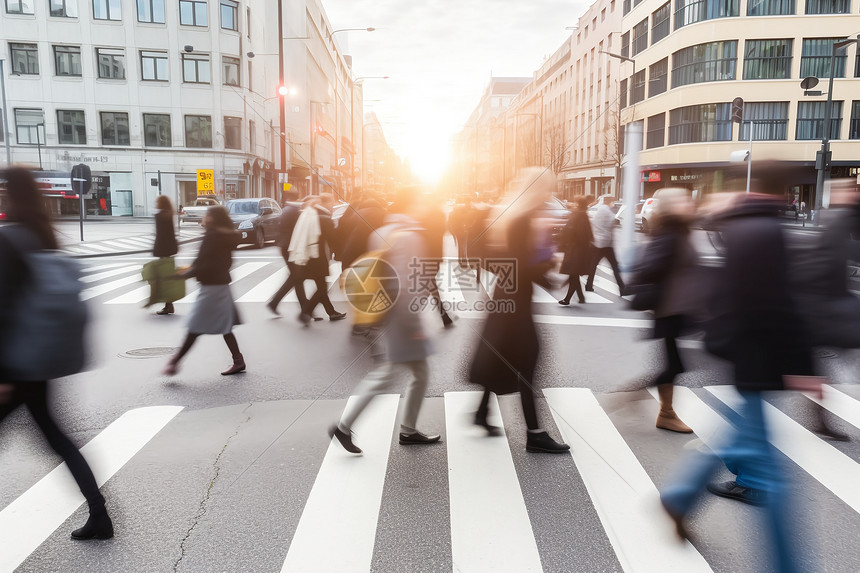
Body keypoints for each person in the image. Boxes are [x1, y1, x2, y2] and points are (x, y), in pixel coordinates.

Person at [661, 187, 812, 573]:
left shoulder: (743, 227)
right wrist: (803, 363)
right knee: (771, 478)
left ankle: (679, 497)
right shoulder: (765, 230)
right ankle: (787, 566)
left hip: (749, 357)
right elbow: (778, 304)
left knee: (745, 442)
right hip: (757, 358)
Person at [0, 167, 114, 540]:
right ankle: (100, 515)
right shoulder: (42, 235)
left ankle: (101, 516)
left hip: (16, 363)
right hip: (38, 358)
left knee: (56, 437)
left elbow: (3, 308)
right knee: (56, 437)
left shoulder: (9, 239)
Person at [330, 188, 441, 454]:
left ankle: (408, 429)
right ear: (413, 205)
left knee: (418, 372)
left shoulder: (382, 231)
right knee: (389, 374)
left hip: (385, 310)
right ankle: (345, 427)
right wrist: (414, 324)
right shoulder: (409, 237)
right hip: (401, 317)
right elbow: (407, 284)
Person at [469, 168, 570, 454]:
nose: (551, 194)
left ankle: (481, 411)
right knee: (528, 363)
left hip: (509, 298)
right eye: (549, 188)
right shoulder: (523, 220)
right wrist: (548, 266)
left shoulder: (510, 216)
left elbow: (498, 260)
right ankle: (535, 434)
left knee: (503, 358)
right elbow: (521, 265)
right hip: (516, 304)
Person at [630, 188, 695, 433]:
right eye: (682, 201)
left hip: (677, 307)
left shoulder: (677, 229)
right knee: (675, 365)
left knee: (676, 364)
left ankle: (664, 412)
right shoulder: (670, 232)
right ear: (670, 207)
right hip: (670, 308)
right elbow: (650, 267)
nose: (689, 204)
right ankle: (647, 404)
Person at [163, 206, 245, 376]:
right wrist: (191, 270)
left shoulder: (213, 235)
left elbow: (204, 263)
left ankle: (175, 362)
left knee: (195, 326)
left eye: (208, 214)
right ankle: (238, 361)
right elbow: (213, 261)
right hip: (220, 285)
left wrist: (185, 274)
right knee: (225, 326)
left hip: (212, 288)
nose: (205, 216)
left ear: (213, 218)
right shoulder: (225, 235)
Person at [294, 194, 347, 322]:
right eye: (332, 203)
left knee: (321, 287)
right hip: (318, 259)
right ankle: (306, 312)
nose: (333, 206)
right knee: (322, 288)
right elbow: (334, 239)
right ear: (325, 203)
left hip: (309, 257)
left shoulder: (310, 215)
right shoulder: (324, 219)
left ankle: (331, 312)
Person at [266, 190, 309, 319]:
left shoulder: (286, 210)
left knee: (296, 278)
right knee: (297, 277)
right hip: (291, 248)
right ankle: (306, 310)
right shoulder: (294, 212)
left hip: (285, 247)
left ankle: (276, 304)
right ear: (297, 198)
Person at [419, 194, 454, 328]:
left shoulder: (424, 216)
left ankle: (443, 314)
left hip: (426, 256)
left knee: (428, 286)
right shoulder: (438, 214)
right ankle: (443, 315)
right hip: (434, 256)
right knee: (429, 285)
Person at [585, 195, 625, 294]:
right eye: (612, 201)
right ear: (610, 201)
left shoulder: (600, 210)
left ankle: (589, 285)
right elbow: (613, 222)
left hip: (598, 243)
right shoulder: (606, 211)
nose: (613, 203)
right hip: (606, 244)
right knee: (614, 266)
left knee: (593, 265)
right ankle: (622, 288)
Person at [558, 196, 593, 305]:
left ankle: (567, 299)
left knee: (573, 274)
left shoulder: (580, 216)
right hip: (576, 249)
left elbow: (579, 234)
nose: (573, 204)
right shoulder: (581, 215)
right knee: (574, 274)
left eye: (575, 203)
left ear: (579, 204)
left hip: (576, 250)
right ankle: (581, 297)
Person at [152, 195, 180, 315]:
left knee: (163, 279)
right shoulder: (169, 215)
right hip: (169, 251)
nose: (155, 203)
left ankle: (168, 306)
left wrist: (156, 250)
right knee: (167, 278)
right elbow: (170, 235)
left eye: (157, 201)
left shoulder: (159, 216)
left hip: (162, 251)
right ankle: (169, 305)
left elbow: (160, 236)